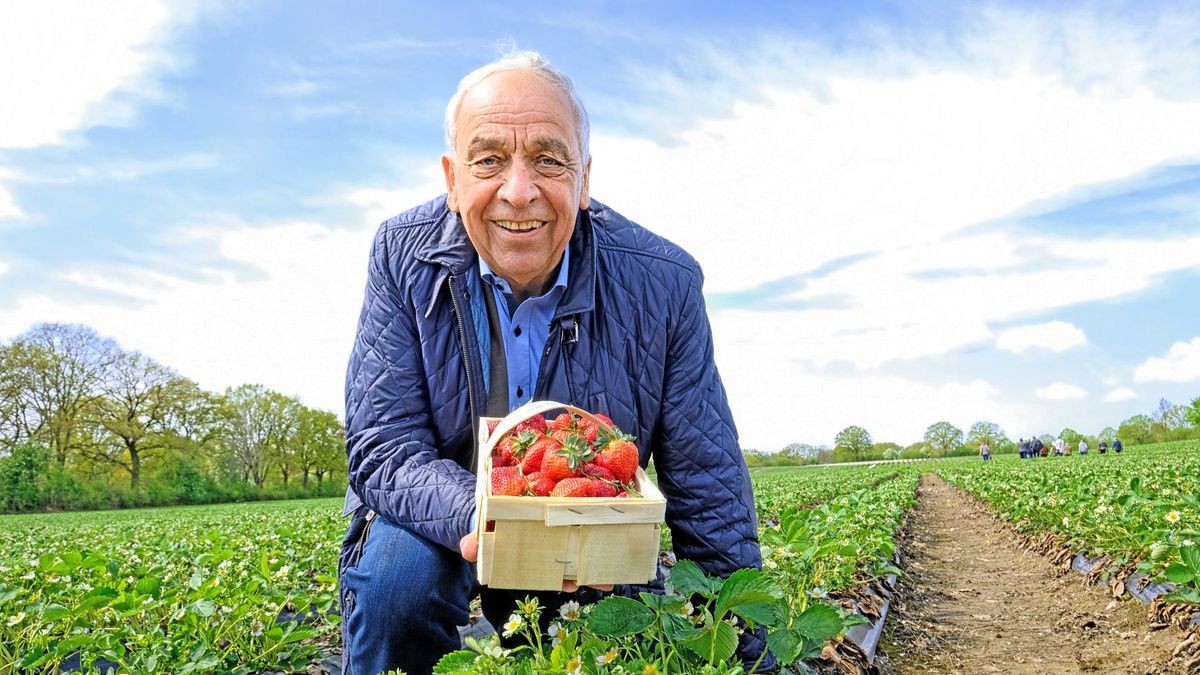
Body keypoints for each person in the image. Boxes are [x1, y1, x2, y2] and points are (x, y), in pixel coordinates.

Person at [336, 51, 767, 675]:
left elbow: (707, 477)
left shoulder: (663, 283)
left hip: (586, 518)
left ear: (583, 178)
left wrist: (747, 650)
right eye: (488, 161)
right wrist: (497, 516)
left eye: (548, 159)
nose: (518, 191)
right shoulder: (400, 256)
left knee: (621, 630)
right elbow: (383, 441)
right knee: (398, 585)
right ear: (452, 179)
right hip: (443, 515)